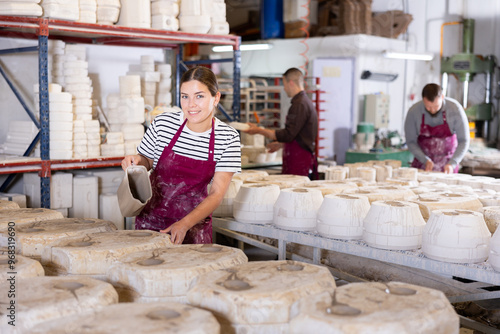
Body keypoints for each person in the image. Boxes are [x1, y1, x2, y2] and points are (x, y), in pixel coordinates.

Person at [121, 66, 241, 244]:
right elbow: (146, 160)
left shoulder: (228, 138)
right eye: (185, 96)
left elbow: (216, 194)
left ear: (216, 98)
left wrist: (184, 224)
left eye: (199, 96)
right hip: (151, 221)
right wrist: (137, 160)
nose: (191, 104)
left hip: (193, 227)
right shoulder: (163, 124)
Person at [243, 67, 318, 177]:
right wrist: (281, 145)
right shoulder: (304, 102)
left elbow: (288, 135)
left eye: (284, 84)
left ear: (291, 83)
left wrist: (258, 130)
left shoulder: (300, 105)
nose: (284, 88)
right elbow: (298, 135)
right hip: (300, 159)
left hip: (299, 161)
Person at [404, 83, 469, 174]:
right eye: (428, 107)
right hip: (423, 164)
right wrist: (425, 160)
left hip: (448, 164)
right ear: (423, 100)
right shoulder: (413, 112)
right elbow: (411, 142)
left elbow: (464, 140)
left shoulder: (455, 109)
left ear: (442, 97)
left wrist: (453, 163)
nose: (432, 110)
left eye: (436, 106)